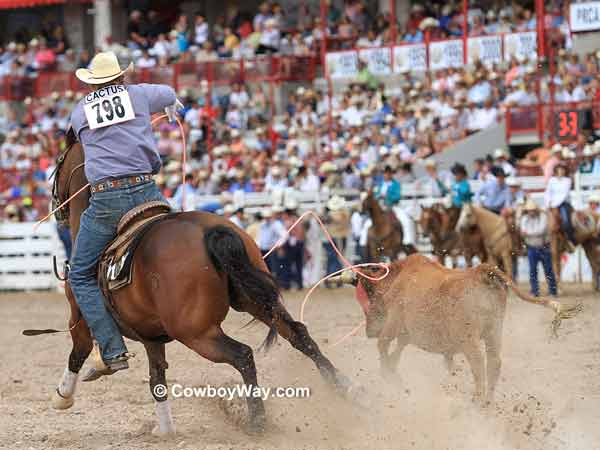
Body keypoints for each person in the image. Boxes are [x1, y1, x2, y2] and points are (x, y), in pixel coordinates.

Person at [68, 51, 179, 379]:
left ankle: (113, 349)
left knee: (80, 275)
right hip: (147, 191)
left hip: (108, 200)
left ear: (93, 83)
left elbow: (82, 140)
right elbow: (170, 94)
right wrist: (168, 106)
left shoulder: (80, 111)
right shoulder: (140, 93)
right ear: (120, 76)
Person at [519, 200, 557, 297]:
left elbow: (541, 230)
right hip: (532, 247)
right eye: (529, 210)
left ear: (536, 210)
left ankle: (552, 291)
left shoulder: (543, 217)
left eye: (532, 210)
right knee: (533, 270)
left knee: (548, 269)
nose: (531, 212)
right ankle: (535, 291)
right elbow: (524, 230)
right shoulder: (524, 219)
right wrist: (528, 233)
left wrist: (528, 233)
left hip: (543, 247)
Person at [544, 163, 576, 245]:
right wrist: (548, 203)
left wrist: (554, 205)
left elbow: (564, 195)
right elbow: (548, 192)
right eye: (559, 170)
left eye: (563, 170)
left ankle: (570, 239)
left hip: (563, 203)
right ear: (556, 171)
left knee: (565, 221)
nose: (561, 171)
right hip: (552, 203)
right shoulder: (552, 180)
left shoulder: (567, 181)